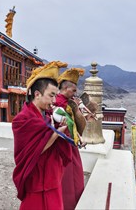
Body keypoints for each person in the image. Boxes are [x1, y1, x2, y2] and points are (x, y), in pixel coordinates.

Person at [12, 61, 73, 210]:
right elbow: (34, 150)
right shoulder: (22, 120)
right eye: (51, 95)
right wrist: (56, 133)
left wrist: (63, 130)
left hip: (53, 180)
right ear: (37, 94)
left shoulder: (47, 117)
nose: (54, 101)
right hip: (36, 185)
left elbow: (51, 137)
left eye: (55, 96)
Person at [55, 68, 86, 210]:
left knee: (76, 177)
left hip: (71, 143)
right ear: (66, 88)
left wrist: (78, 136)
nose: (75, 94)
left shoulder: (68, 102)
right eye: (73, 90)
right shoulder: (57, 103)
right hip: (62, 145)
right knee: (67, 181)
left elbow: (72, 124)